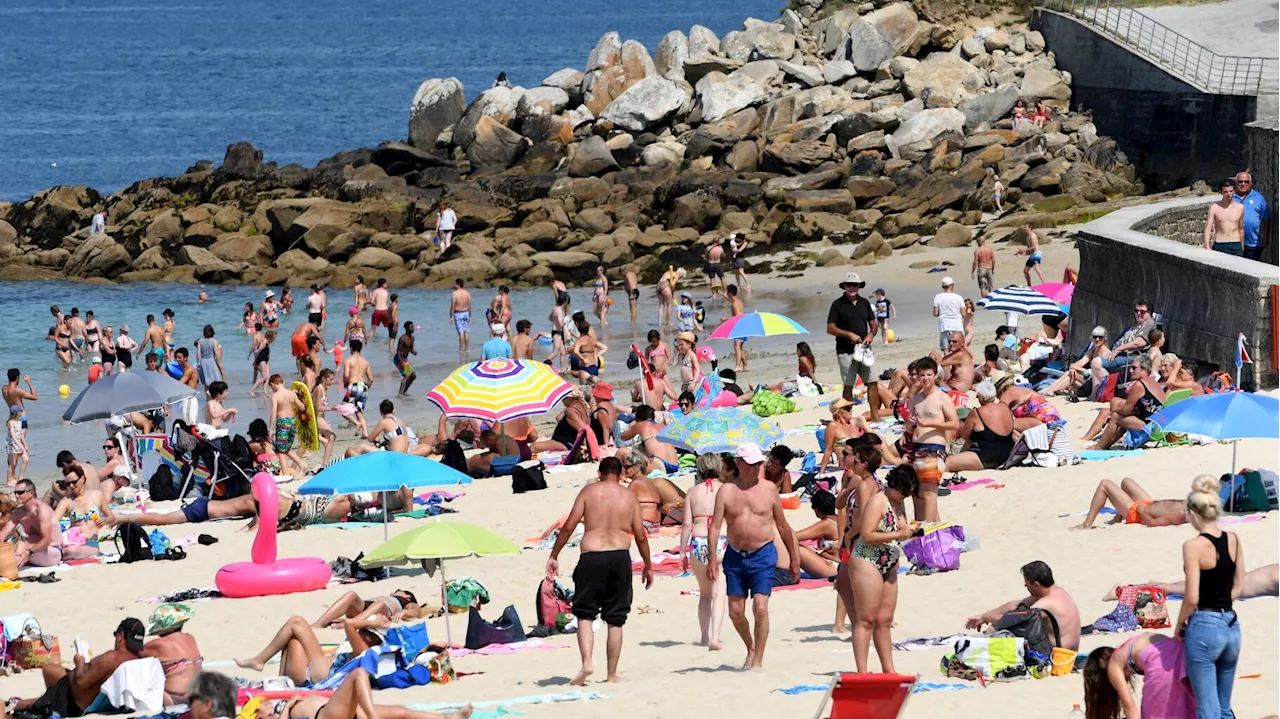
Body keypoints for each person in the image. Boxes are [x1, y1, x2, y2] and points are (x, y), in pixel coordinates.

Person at [547, 457, 654, 685]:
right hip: (619, 556)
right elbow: (641, 535)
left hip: (591, 556)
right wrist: (648, 565)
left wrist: (554, 554)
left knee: (585, 613)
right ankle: (612, 675)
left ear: (599, 472)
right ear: (621, 474)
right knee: (616, 618)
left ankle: (587, 663)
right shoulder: (629, 496)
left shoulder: (588, 491)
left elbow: (568, 527)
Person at [707, 444, 800, 670]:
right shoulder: (727, 491)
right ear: (739, 464)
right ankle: (750, 646)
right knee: (736, 612)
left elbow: (783, 526)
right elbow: (715, 526)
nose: (757, 467)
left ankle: (758, 659)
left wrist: (794, 558)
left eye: (759, 463)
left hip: (763, 553)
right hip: (735, 555)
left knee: (760, 607)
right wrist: (712, 558)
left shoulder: (768, 489)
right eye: (752, 464)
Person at [1176, 475, 1245, 718]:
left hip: (1205, 624)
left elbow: (1192, 596)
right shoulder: (1234, 539)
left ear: (1192, 513)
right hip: (1232, 626)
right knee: (1224, 706)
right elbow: (1239, 586)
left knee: (1207, 707)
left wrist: (1180, 624)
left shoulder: (1193, 546)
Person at [849, 465, 917, 673]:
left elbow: (900, 529)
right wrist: (898, 535)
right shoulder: (878, 501)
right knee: (866, 619)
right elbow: (867, 534)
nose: (905, 497)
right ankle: (862, 671)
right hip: (867, 560)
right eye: (903, 492)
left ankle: (889, 670)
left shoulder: (899, 503)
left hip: (889, 562)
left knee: (885, 620)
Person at [11, 619, 145, 718]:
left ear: (121, 636)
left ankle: (22, 704)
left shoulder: (112, 657)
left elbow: (81, 682)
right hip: (107, 703)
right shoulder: (141, 660)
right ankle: (45, 697)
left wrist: (80, 662)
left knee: (21, 704)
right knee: (50, 669)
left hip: (76, 702)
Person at [236, 614, 385, 687]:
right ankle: (270, 670)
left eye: (366, 632)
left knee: (293, 638)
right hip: (318, 662)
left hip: (308, 676)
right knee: (297, 622)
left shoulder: (364, 651)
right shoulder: (362, 646)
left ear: (374, 639)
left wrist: (374, 622)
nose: (361, 632)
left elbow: (349, 623)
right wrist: (375, 621)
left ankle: (264, 665)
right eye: (362, 630)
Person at [965, 560, 1082, 651]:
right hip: (1067, 653)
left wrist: (987, 619)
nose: (1025, 586)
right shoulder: (1056, 592)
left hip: (1059, 658)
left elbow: (1010, 621)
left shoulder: (1045, 604)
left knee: (995, 629)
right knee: (1015, 612)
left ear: (1036, 584)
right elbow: (1016, 605)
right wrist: (982, 616)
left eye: (1027, 584)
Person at [1082, 633, 1196, 719]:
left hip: (1161, 667)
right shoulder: (1130, 646)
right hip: (1185, 657)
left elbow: (1131, 710)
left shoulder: (1114, 665)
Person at [679, 454, 728, 650]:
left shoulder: (692, 491)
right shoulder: (726, 490)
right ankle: (716, 638)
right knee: (720, 593)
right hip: (721, 542)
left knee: (705, 594)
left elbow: (686, 524)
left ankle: (704, 637)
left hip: (698, 542)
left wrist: (682, 552)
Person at [905, 357, 957, 522]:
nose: (926, 378)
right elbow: (908, 428)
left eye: (929, 374)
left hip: (933, 448)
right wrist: (910, 424)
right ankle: (937, 529)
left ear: (935, 376)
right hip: (916, 447)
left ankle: (929, 533)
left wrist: (931, 423)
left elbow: (954, 424)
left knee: (929, 494)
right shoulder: (915, 399)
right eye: (922, 375)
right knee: (919, 493)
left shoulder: (942, 398)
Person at [827, 272, 879, 413]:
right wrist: (849, 334)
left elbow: (874, 324)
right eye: (849, 285)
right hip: (845, 351)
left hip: (864, 349)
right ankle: (846, 417)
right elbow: (830, 328)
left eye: (855, 285)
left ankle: (875, 416)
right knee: (849, 385)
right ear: (844, 286)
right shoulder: (837, 304)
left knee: (873, 382)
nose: (852, 288)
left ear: (859, 286)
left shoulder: (864, 303)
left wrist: (870, 334)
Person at [1092, 354, 1165, 450]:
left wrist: (1112, 413)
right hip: (1158, 424)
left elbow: (1126, 410)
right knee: (1116, 402)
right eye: (1130, 368)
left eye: (1134, 368)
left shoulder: (1139, 385)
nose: (1130, 371)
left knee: (1116, 417)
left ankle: (1099, 446)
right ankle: (1107, 442)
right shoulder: (1153, 382)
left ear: (1144, 370)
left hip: (1148, 428)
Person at [946, 379, 1015, 471]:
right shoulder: (1004, 407)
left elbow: (964, 439)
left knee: (949, 462)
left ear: (980, 398)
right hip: (1008, 455)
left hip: (989, 459)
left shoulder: (976, 413)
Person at [141, 603, 204, 705]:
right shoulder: (190, 638)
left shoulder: (158, 644)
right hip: (197, 695)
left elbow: (130, 656)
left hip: (173, 697)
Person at [1074, 477, 1188, 529]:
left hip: (1136, 513)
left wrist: (1142, 511)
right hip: (1148, 504)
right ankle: (1118, 517)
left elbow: (1151, 523)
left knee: (1105, 484)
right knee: (1126, 481)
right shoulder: (1190, 506)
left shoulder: (1179, 515)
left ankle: (1086, 524)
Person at [51, 463, 110, 559]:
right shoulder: (67, 501)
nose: (71, 486)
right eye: (68, 484)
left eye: (74, 482)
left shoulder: (96, 496)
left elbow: (111, 517)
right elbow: (53, 521)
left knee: (70, 551)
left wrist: (105, 520)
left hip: (91, 542)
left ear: (82, 479)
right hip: (71, 540)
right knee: (69, 550)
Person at [1, 478, 63, 567]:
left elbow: (47, 540)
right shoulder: (18, 513)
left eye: (20, 492)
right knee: (10, 547)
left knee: (21, 545)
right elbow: (3, 535)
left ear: (31, 493)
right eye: (15, 493)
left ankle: (9, 569)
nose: (17, 496)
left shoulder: (42, 510)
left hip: (52, 551)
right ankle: (8, 567)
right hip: (31, 551)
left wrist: (29, 551)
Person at [1094, 300, 1158, 376]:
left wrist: (1117, 350)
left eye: (1142, 311)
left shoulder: (1149, 324)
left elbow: (1138, 343)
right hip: (1119, 353)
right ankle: (1079, 369)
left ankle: (1106, 386)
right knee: (1094, 345)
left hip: (1129, 356)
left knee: (1096, 363)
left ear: (1149, 312)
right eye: (1136, 311)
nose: (1138, 313)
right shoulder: (1138, 325)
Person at [311, 589, 422, 628]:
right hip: (363, 608)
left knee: (380, 603)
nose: (395, 591)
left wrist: (404, 612)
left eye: (399, 590)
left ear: (408, 596)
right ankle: (319, 623)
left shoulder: (406, 601)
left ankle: (349, 624)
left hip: (382, 610)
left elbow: (417, 610)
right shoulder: (389, 596)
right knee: (351, 595)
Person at [269, 374, 308, 475]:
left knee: (281, 451)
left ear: (273, 384)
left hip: (282, 423)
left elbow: (273, 412)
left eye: (271, 387)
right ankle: (301, 464)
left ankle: (286, 475)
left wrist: (271, 429)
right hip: (292, 422)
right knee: (286, 448)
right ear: (283, 382)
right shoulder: (292, 394)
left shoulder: (275, 396)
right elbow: (302, 408)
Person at [818, 398, 868, 471]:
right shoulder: (833, 426)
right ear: (838, 413)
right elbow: (828, 450)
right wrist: (821, 472)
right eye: (848, 408)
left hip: (863, 459)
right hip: (848, 464)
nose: (851, 410)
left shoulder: (853, 422)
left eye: (851, 407)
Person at [1234, 170, 1271, 261]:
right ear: (1236, 183)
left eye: (1246, 182)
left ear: (1251, 183)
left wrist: (1266, 236)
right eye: (1240, 182)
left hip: (1253, 244)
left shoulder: (1258, 198)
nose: (1243, 184)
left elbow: (1266, 218)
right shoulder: (1231, 197)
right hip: (1234, 243)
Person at [1204, 177, 1246, 256]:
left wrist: (1242, 246)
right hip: (1220, 243)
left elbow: (1241, 229)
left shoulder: (1240, 208)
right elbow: (1208, 227)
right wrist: (1207, 245)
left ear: (1234, 191)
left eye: (1231, 191)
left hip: (1235, 243)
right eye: (1225, 192)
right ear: (1221, 192)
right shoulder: (1214, 207)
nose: (1228, 194)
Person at [932, 277, 965, 352]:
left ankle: (948, 364)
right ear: (951, 285)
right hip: (957, 325)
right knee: (960, 347)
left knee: (946, 349)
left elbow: (935, 313)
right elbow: (964, 313)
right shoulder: (959, 297)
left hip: (945, 325)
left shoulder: (938, 297)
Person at [725, 284, 747, 371]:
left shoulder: (734, 304)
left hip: (739, 326)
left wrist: (726, 319)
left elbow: (738, 316)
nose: (726, 293)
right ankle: (745, 365)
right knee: (740, 346)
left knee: (737, 346)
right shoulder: (739, 301)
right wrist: (719, 293)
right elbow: (729, 300)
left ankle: (738, 366)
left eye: (727, 292)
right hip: (743, 325)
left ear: (730, 293)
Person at [393, 321, 418, 396]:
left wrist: (413, 352)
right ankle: (400, 393)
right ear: (406, 328)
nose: (413, 328)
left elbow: (410, 348)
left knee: (413, 376)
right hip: (398, 359)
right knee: (407, 375)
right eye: (411, 327)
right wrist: (401, 362)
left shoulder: (412, 338)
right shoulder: (402, 338)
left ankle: (404, 391)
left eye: (413, 327)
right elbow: (398, 351)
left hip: (404, 359)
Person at [449, 279, 472, 353]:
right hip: (466, 313)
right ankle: (467, 349)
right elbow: (469, 305)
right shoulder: (467, 293)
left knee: (461, 332)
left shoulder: (455, 293)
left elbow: (452, 305)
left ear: (458, 284)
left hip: (458, 313)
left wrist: (451, 317)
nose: (454, 285)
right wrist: (470, 315)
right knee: (466, 332)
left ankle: (461, 349)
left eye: (455, 284)